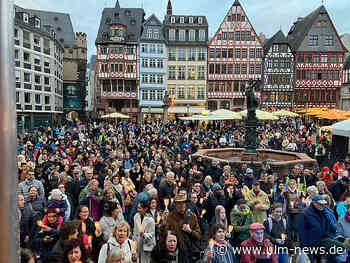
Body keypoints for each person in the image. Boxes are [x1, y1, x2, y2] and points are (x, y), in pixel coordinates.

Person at [299, 194, 345, 262]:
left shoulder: (324, 212)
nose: (322, 205)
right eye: (320, 204)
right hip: (311, 242)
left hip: (323, 239)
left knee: (339, 248)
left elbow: (330, 227)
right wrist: (304, 248)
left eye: (323, 204)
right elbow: (302, 232)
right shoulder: (305, 213)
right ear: (314, 203)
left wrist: (331, 236)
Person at [160, 192, 201, 261]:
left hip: (189, 252)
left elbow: (198, 236)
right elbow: (164, 235)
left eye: (183, 203)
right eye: (178, 203)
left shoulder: (192, 216)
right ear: (175, 205)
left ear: (186, 204)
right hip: (175, 253)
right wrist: (163, 223)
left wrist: (190, 231)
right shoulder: (170, 216)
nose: (181, 205)